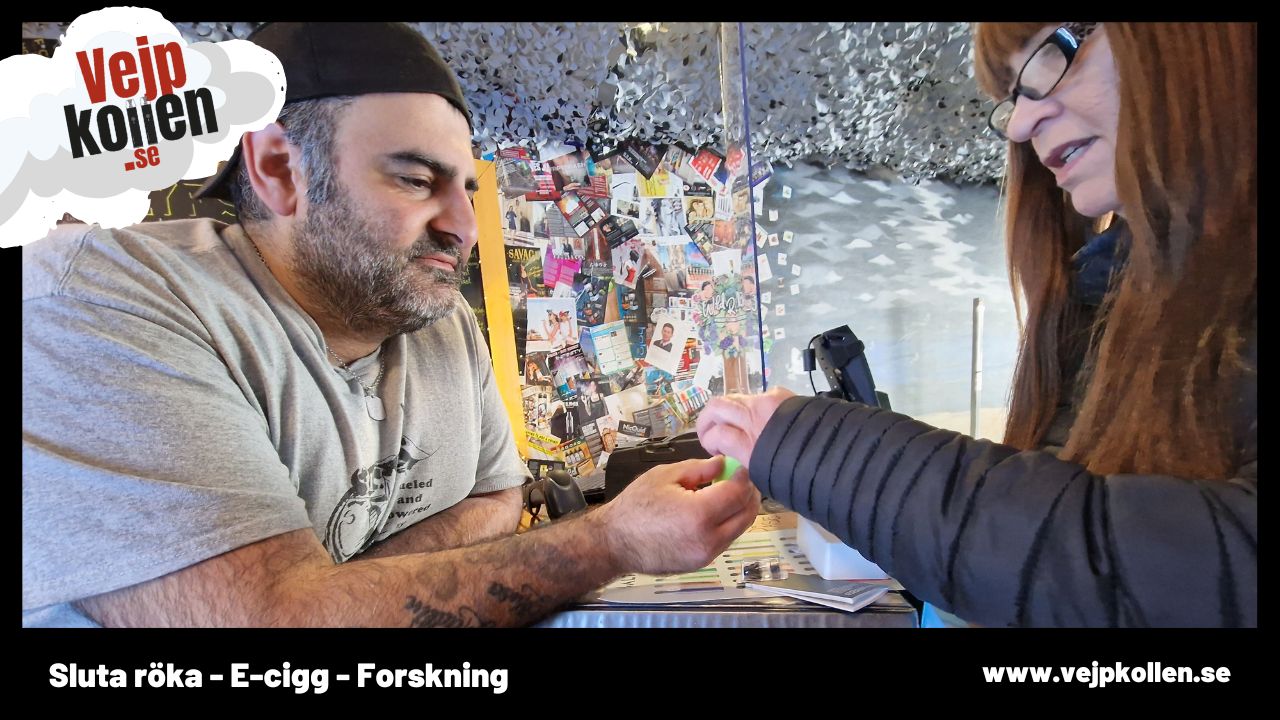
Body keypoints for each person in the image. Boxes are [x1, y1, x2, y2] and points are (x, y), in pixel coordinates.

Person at [22, 22, 760, 628]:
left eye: (466, 189)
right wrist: (613, 538)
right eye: (414, 180)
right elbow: (266, 631)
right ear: (279, 168)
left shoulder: (440, 323)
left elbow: (497, 502)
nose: (465, 229)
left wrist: (334, 590)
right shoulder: (95, 297)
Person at [697, 22, 1255, 627]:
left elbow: (1199, 568)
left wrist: (821, 452)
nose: (1019, 124)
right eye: (1013, 97)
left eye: (1048, 56)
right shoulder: (1097, 303)